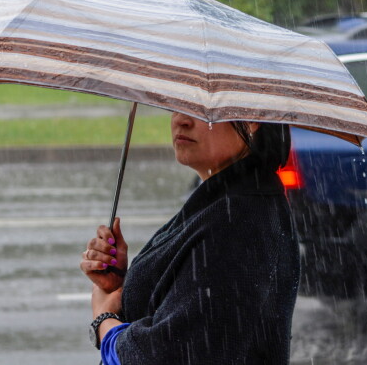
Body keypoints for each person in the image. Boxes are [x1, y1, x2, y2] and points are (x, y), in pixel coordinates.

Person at [80, 112, 300, 364]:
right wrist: (121, 286)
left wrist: (104, 321)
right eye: (177, 107)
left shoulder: (235, 222)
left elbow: (168, 355)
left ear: (251, 119)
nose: (181, 120)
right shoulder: (223, 201)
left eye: (202, 112)